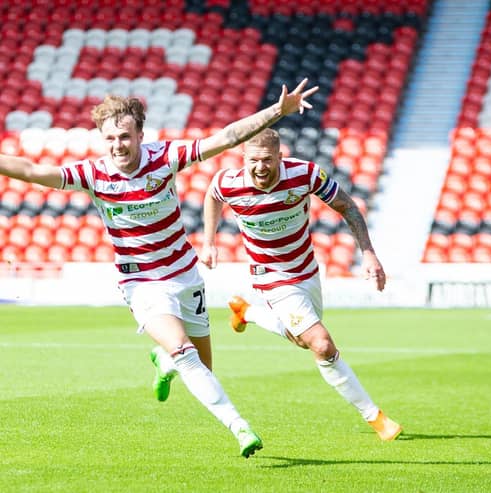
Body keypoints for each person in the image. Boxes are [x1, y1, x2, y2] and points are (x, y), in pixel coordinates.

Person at [0, 79, 319, 458]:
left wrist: (277, 111)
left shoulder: (164, 157)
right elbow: (34, 171)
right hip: (141, 282)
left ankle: (163, 359)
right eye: (110, 138)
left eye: (125, 136)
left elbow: (226, 138)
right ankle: (240, 428)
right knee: (186, 352)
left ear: (140, 135)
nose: (118, 145)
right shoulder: (94, 175)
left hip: (185, 276)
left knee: (200, 365)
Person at [200, 127, 402, 441]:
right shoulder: (229, 183)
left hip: (306, 271)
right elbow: (212, 196)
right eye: (253, 160)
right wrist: (209, 241)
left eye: (268, 160)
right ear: (243, 158)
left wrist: (369, 253)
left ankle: (247, 312)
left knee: (302, 340)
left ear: (281, 157)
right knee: (322, 344)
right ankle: (374, 416)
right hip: (270, 276)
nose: (260, 167)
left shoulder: (305, 175)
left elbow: (347, 206)